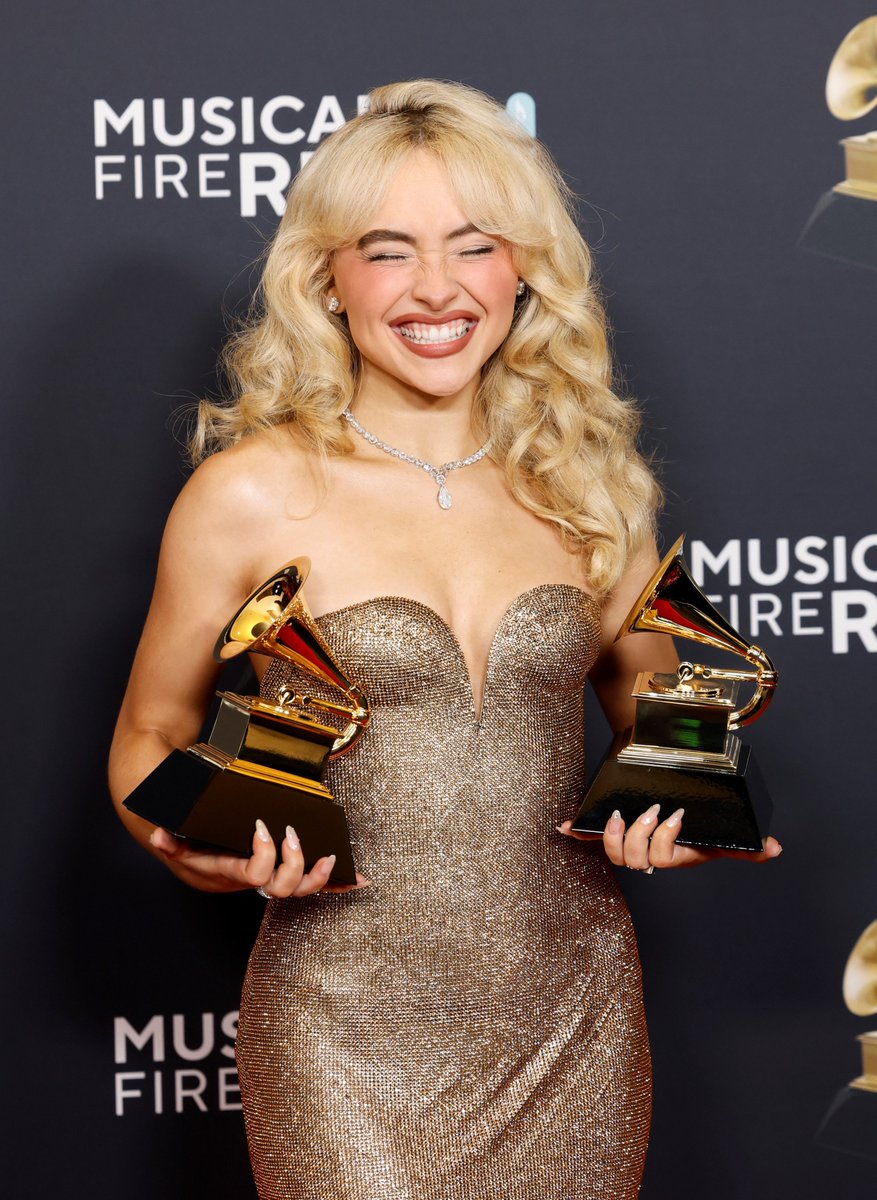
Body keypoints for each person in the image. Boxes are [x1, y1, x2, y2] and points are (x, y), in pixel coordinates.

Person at [109, 79, 782, 1200]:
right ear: (327, 275)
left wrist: (679, 800)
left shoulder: (590, 489)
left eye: (473, 246)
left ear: (522, 270)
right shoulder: (249, 494)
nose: (434, 289)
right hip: (340, 1028)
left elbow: (653, 712)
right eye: (387, 250)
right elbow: (149, 733)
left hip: (573, 1015)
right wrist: (187, 846)